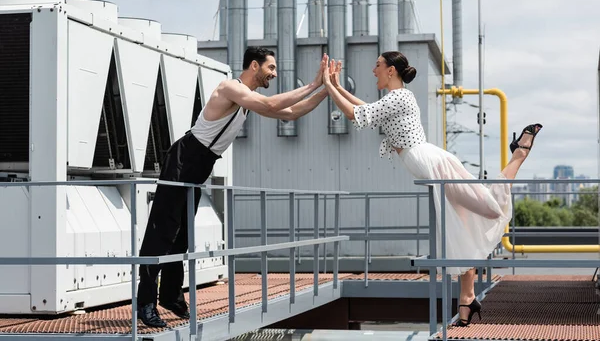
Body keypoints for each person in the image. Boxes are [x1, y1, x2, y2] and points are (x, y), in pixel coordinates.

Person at [321, 51, 542, 327]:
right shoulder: (394, 98)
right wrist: (338, 87)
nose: (372, 70)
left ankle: (518, 155)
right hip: (429, 164)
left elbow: (359, 113)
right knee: (462, 223)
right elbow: (366, 111)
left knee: (487, 208)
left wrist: (329, 86)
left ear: (391, 71)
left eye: (377, 65)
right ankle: (467, 299)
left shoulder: (399, 96)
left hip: (435, 164)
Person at [137, 46, 330, 327]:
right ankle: (144, 303)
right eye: (271, 68)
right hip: (183, 159)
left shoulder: (248, 99)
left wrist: (326, 90)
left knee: (182, 236)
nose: (274, 74)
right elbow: (272, 106)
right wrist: (313, 83)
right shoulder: (230, 88)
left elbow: (291, 113)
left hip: (200, 165)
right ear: (254, 65)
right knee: (161, 233)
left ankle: (170, 296)